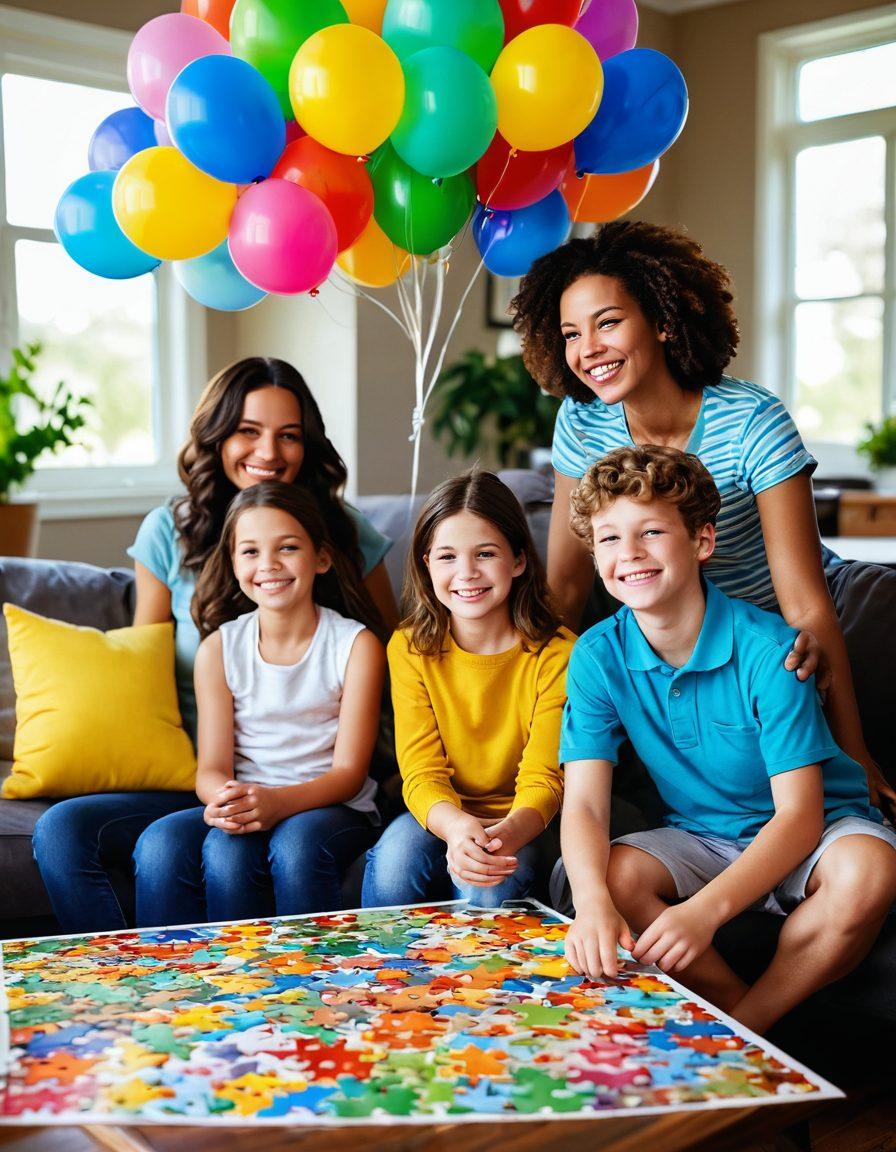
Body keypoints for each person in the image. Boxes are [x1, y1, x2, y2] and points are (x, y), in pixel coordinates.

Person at [510, 221, 895, 812]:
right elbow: (564, 583)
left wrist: (856, 753)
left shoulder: (751, 421)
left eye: (608, 322)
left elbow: (804, 602)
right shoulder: (581, 423)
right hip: (665, 634)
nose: (587, 349)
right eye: (570, 333)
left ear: (663, 321)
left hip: (765, 634)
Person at [33, 357, 396, 933]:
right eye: (248, 431)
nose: (270, 453)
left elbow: (398, 653)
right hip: (196, 767)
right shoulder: (168, 533)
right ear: (216, 434)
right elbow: (141, 662)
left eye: (289, 435)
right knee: (62, 830)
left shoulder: (341, 533)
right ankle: (134, 980)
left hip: (308, 777)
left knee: (257, 850)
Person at [558, 445, 896, 1035]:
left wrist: (703, 914)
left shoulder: (771, 650)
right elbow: (585, 802)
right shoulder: (596, 654)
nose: (629, 554)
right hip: (702, 838)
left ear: (702, 541)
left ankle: (748, 1028)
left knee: (870, 871)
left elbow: (799, 817)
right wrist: (591, 906)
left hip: (814, 833)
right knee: (605, 876)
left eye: (652, 532)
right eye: (609, 539)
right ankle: (749, 1026)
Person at [133, 481, 386, 925]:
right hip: (249, 800)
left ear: (321, 558)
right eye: (250, 552)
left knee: (294, 845)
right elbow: (211, 768)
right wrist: (225, 799)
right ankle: (188, 980)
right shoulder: (218, 649)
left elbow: (348, 776)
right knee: (159, 843)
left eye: (287, 547)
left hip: (332, 808)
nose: (268, 565)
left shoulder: (355, 645)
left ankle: (305, 980)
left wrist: (276, 803)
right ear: (233, 564)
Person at [362, 470, 573, 909]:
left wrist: (499, 837)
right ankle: (378, 974)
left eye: (485, 553)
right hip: (440, 814)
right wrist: (458, 828)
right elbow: (420, 771)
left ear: (518, 561)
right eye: (447, 557)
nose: (467, 572)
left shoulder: (559, 653)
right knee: (393, 865)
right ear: (426, 564)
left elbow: (545, 778)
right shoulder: (409, 647)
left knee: (487, 885)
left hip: (524, 819)